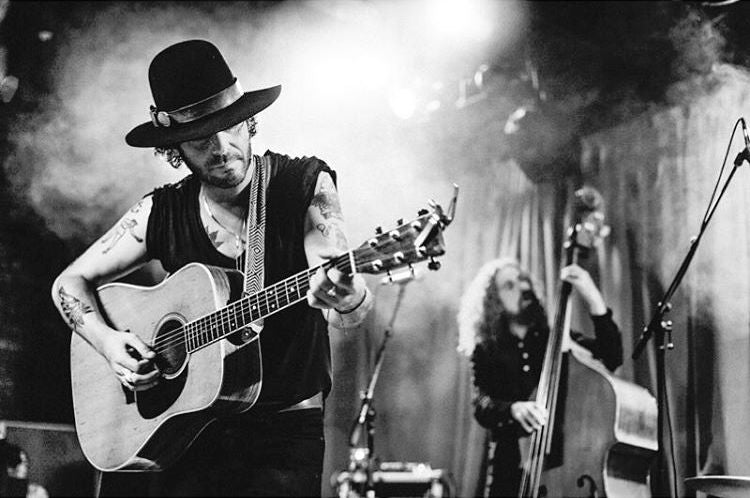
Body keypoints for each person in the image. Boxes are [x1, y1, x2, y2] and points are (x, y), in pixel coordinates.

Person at [51, 39, 372, 497]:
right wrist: (108, 344)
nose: (222, 147)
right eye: (201, 136)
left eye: (232, 126)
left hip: (282, 439)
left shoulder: (302, 184)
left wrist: (349, 295)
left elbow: (344, 295)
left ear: (250, 121)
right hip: (184, 436)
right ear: (174, 146)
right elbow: (69, 282)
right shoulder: (160, 211)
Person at [457, 257, 623, 498]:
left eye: (523, 280)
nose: (523, 287)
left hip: (565, 463)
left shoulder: (556, 340)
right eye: (510, 285)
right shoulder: (486, 350)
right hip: (510, 469)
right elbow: (481, 405)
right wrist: (513, 409)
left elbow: (612, 356)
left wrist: (592, 295)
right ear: (494, 300)